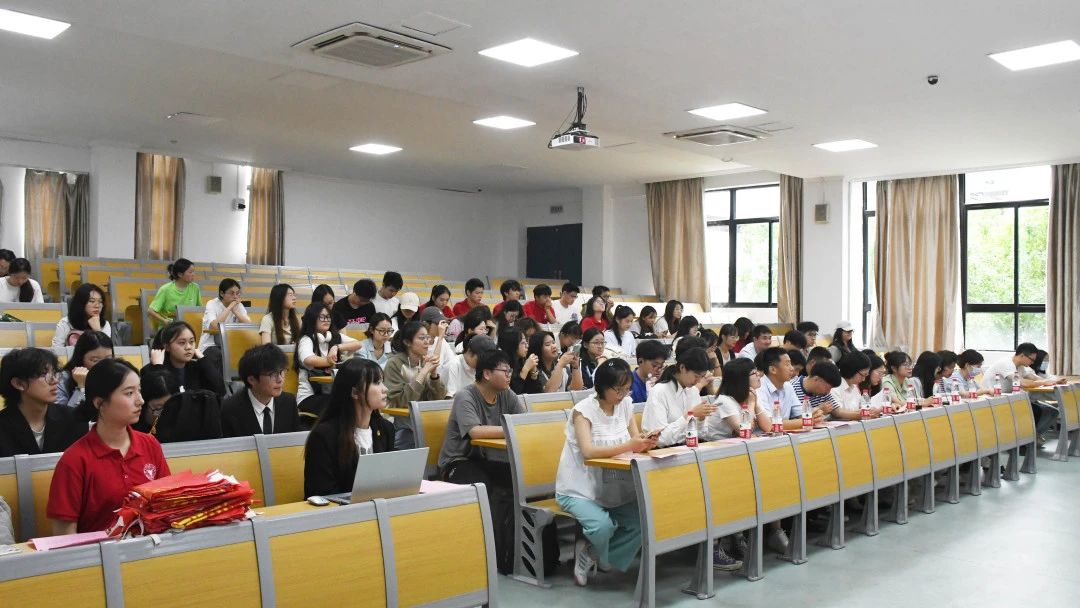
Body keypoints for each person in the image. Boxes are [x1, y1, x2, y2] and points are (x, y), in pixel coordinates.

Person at [555, 358, 654, 587]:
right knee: (602, 526)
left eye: (627, 389)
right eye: (618, 389)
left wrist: (646, 442)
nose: (623, 394)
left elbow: (635, 440)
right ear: (602, 386)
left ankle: (592, 553)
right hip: (579, 488)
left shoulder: (625, 404)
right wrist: (631, 445)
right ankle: (597, 551)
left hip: (614, 486)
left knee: (641, 523)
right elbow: (588, 452)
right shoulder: (583, 411)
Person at [47, 359, 170, 534]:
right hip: (99, 549)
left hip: (150, 546)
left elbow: (166, 505)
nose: (141, 401)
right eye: (129, 393)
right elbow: (64, 534)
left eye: (139, 391)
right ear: (99, 403)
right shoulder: (75, 460)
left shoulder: (150, 444)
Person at [303, 358, 395, 497]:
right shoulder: (324, 436)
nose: (385, 389)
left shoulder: (386, 429)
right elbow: (321, 492)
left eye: (382, 382)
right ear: (355, 392)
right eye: (377, 383)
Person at [0, 348, 85, 457]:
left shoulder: (73, 419)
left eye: (54, 374)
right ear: (19, 383)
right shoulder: (3, 427)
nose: (55, 381)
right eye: (45, 375)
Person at [385, 321, 447, 449]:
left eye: (427, 337)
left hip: (426, 421)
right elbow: (401, 401)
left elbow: (438, 399)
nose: (427, 342)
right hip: (402, 424)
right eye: (421, 338)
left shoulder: (424, 362)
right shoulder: (394, 364)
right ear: (407, 342)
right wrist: (423, 373)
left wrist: (434, 375)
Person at [980, 343, 1062, 436]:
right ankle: (1027, 437)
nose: (1033, 363)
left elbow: (1034, 377)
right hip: (993, 400)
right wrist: (1044, 382)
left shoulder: (1021, 366)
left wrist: (1053, 381)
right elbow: (1021, 383)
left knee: (1052, 411)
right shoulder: (1006, 363)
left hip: (1008, 399)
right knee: (1036, 411)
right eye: (1031, 359)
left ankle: (1033, 436)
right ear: (1022, 355)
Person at [221, 343, 300, 437]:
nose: (280, 380)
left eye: (281, 372)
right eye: (272, 374)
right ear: (252, 380)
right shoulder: (230, 408)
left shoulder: (289, 402)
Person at [642, 347, 716, 447]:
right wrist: (690, 415)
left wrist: (701, 419)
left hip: (689, 448)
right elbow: (659, 439)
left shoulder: (693, 391)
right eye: (696, 376)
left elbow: (702, 435)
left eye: (702, 377)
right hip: (663, 452)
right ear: (682, 368)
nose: (698, 381)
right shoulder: (659, 391)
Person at [295, 302, 361, 414]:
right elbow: (308, 359)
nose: (326, 320)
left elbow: (358, 344)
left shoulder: (334, 336)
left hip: (330, 393)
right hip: (309, 396)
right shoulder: (306, 339)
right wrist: (329, 361)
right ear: (312, 319)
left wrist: (337, 347)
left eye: (328, 317)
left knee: (357, 402)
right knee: (339, 407)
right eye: (322, 317)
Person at [134, 366, 221, 442]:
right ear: (143, 405)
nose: (165, 415)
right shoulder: (132, 432)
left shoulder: (185, 422)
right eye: (159, 409)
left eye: (170, 407)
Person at [146, 321, 226, 397]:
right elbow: (159, 397)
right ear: (167, 347)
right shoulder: (152, 369)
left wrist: (203, 359)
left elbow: (221, 391)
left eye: (191, 342)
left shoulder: (198, 367)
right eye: (182, 343)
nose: (188, 347)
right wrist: (158, 367)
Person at [755, 347, 824, 431]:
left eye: (791, 364)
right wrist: (806, 421)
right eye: (787, 365)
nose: (792, 368)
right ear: (773, 369)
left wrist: (814, 415)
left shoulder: (788, 386)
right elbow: (771, 424)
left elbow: (800, 413)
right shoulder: (759, 388)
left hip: (782, 435)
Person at [702, 357, 771, 440]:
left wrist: (756, 405)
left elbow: (768, 428)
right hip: (712, 444)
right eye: (754, 373)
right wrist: (751, 403)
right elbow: (745, 431)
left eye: (757, 371)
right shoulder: (724, 401)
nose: (758, 374)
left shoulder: (751, 394)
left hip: (733, 444)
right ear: (741, 379)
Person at [56, 331, 113, 409]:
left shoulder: (117, 375)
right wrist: (81, 387)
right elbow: (65, 414)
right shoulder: (63, 378)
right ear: (81, 359)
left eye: (108, 359)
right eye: (95, 360)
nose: (104, 365)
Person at [198, 278, 251, 353]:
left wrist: (236, 311)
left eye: (237, 293)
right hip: (211, 345)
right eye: (232, 293)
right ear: (222, 293)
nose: (235, 297)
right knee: (218, 354)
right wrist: (230, 307)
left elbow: (249, 326)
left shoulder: (239, 305)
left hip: (231, 344)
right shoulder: (212, 304)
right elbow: (214, 326)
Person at [52, 283, 112, 347]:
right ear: (81, 303)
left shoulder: (105, 324)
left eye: (100, 302)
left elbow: (106, 350)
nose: (97, 306)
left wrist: (97, 331)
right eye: (92, 301)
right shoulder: (65, 323)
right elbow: (57, 350)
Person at [147, 258, 199, 328]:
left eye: (194, 272)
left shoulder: (195, 288)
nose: (193, 274)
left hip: (188, 327)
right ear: (180, 274)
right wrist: (164, 321)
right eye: (190, 272)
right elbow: (151, 311)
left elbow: (198, 309)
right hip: (170, 328)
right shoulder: (165, 289)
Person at [831, 351, 881, 420]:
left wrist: (871, 410)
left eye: (866, 375)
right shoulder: (834, 387)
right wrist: (861, 415)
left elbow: (861, 407)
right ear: (852, 370)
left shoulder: (854, 387)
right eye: (863, 375)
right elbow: (838, 413)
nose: (863, 379)